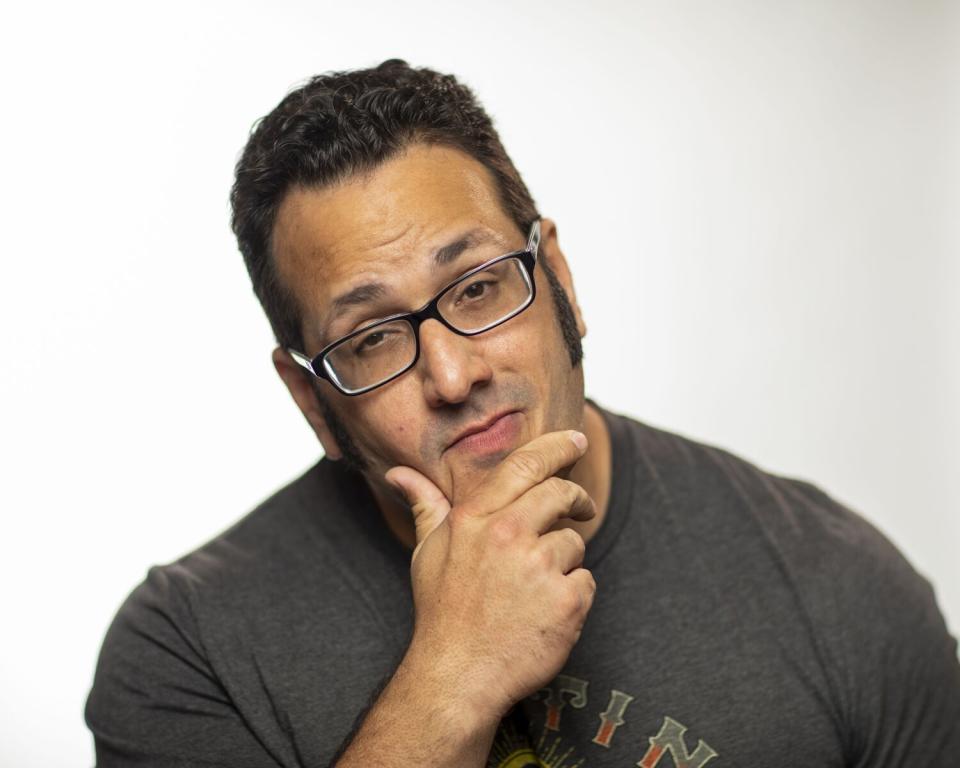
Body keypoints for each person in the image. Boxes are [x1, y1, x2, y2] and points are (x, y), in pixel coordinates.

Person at [85, 59, 960, 767]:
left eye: (478, 288)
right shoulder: (188, 653)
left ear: (561, 285)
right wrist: (451, 679)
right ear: (311, 397)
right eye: (375, 339)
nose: (455, 372)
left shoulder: (840, 591)